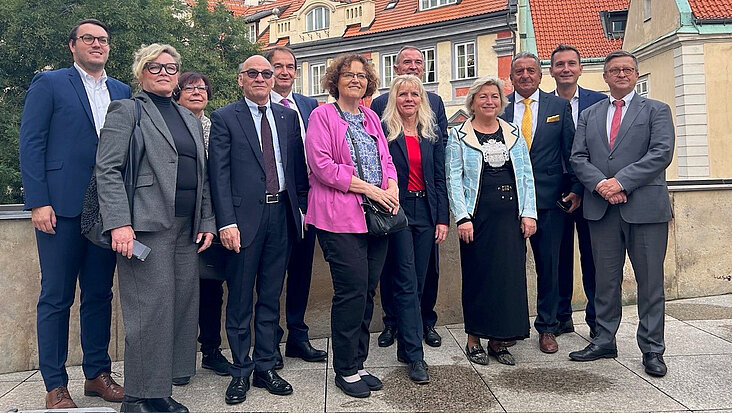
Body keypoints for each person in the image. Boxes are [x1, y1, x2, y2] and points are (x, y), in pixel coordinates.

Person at [96, 43, 216, 413]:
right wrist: (119, 223)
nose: (165, 73)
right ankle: (138, 399)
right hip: (145, 227)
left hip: (186, 227)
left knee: (180, 307)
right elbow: (108, 170)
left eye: (171, 67)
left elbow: (203, 176)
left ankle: (161, 387)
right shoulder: (127, 110)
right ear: (141, 72)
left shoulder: (188, 118)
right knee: (149, 313)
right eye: (156, 67)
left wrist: (207, 220)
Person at [18, 18, 129, 409]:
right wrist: (38, 201)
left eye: (103, 40)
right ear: (72, 46)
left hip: (106, 208)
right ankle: (55, 384)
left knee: (99, 294)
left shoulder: (121, 90)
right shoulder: (49, 84)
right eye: (88, 39)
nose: (97, 44)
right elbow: (31, 143)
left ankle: (97, 375)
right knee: (56, 296)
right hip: (60, 207)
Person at [208, 55, 308, 404]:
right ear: (241, 79)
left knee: (269, 296)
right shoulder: (224, 117)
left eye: (267, 73)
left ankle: (266, 365)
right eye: (254, 73)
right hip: (242, 220)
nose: (263, 78)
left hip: (281, 215)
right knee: (239, 299)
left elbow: (296, 170)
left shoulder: (287, 116)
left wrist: (302, 210)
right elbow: (217, 176)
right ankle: (240, 370)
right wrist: (226, 222)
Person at [569, 50, 674, 378]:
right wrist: (601, 185)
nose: (621, 74)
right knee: (604, 281)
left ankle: (652, 349)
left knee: (650, 283)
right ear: (605, 76)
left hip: (644, 209)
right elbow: (578, 156)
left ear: (636, 74)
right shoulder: (590, 113)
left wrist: (621, 182)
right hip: (602, 209)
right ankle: (604, 339)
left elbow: (661, 152)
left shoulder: (656, 109)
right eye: (614, 70)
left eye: (627, 69)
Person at [305, 53, 398, 398]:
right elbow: (321, 166)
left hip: (377, 215)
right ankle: (344, 368)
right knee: (351, 291)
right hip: (338, 218)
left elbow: (386, 160)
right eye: (348, 75)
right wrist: (369, 188)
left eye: (361, 76)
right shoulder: (322, 116)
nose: (356, 80)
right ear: (335, 81)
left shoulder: (371, 117)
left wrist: (392, 187)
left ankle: (358, 362)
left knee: (368, 290)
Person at [446, 76, 537, 366]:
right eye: (483, 96)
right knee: (478, 278)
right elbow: (453, 179)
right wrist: (462, 217)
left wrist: (529, 213)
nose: (489, 101)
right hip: (477, 218)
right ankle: (474, 338)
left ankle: (499, 340)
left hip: (510, 218)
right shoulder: (459, 135)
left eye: (494, 97)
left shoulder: (512, 133)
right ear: (472, 101)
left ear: (501, 102)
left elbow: (525, 175)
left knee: (508, 280)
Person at [499, 52, 580, 354]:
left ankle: (548, 327)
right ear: (511, 76)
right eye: (519, 71)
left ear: (540, 74)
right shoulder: (500, 106)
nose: (525, 76)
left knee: (549, 267)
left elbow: (571, 151)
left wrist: (576, 188)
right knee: (510, 267)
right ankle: (510, 327)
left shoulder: (558, 106)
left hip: (550, 200)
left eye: (530, 70)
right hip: (509, 201)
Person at [370, 46, 448, 349]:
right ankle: (393, 323)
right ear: (396, 68)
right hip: (393, 205)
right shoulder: (379, 108)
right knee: (393, 268)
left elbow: (439, 169)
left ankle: (424, 322)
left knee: (427, 270)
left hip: (426, 205)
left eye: (418, 62)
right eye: (407, 63)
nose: (410, 98)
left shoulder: (434, 113)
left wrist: (443, 216)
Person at [265, 46, 326, 367]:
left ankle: (298, 338)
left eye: (290, 66)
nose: (285, 72)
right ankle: (271, 341)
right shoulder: (261, 107)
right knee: (273, 276)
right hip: (276, 204)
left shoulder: (309, 105)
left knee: (302, 272)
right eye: (278, 66)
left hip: (309, 201)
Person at [174, 71, 234, 377]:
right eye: (189, 88)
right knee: (179, 292)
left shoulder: (215, 125)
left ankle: (210, 350)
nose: (197, 92)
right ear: (177, 93)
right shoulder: (170, 124)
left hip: (211, 219)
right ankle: (178, 358)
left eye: (202, 87)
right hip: (178, 220)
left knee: (211, 288)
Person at [549, 44, 608, 339]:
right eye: (560, 64)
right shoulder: (544, 104)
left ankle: (597, 321)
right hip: (556, 189)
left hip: (592, 188)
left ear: (581, 68)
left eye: (571, 63)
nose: (566, 69)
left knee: (592, 257)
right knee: (558, 256)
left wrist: (587, 186)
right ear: (551, 71)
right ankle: (561, 317)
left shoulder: (599, 102)